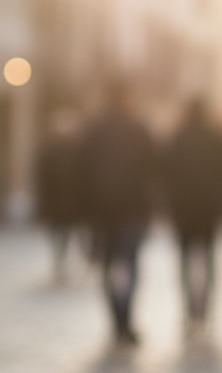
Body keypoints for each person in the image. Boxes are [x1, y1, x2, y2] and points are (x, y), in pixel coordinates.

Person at [80, 84, 155, 345]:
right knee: (130, 264)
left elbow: (82, 170)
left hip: (102, 211)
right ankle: (126, 320)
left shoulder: (94, 128)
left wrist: (86, 209)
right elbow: (153, 167)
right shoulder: (138, 127)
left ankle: (116, 321)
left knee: (108, 265)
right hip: (132, 209)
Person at [162, 99, 222, 331]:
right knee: (208, 259)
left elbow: (164, 173)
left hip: (183, 209)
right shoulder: (217, 138)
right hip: (208, 210)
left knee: (185, 261)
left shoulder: (177, 137)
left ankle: (189, 310)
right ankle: (204, 311)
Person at [35, 108, 84, 282]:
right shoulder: (65, 150)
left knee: (62, 232)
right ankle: (60, 261)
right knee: (61, 232)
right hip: (61, 200)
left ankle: (60, 261)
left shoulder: (70, 150)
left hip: (62, 200)